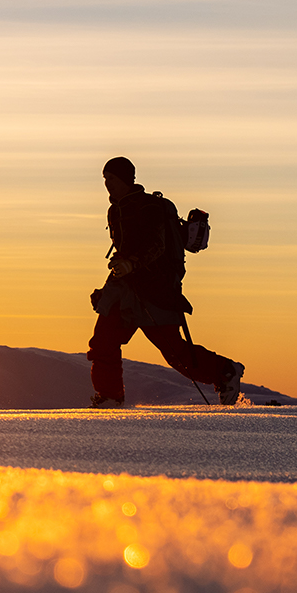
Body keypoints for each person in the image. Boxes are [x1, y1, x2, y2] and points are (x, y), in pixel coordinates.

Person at [87, 157, 246, 407]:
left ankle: (225, 371)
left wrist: (132, 264)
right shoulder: (115, 209)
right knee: (104, 341)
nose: (108, 184)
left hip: (154, 290)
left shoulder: (148, 208)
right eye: (105, 179)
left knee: (174, 352)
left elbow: (157, 245)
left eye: (112, 179)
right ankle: (110, 397)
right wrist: (115, 276)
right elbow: (125, 249)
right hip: (125, 290)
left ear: (127, 179)